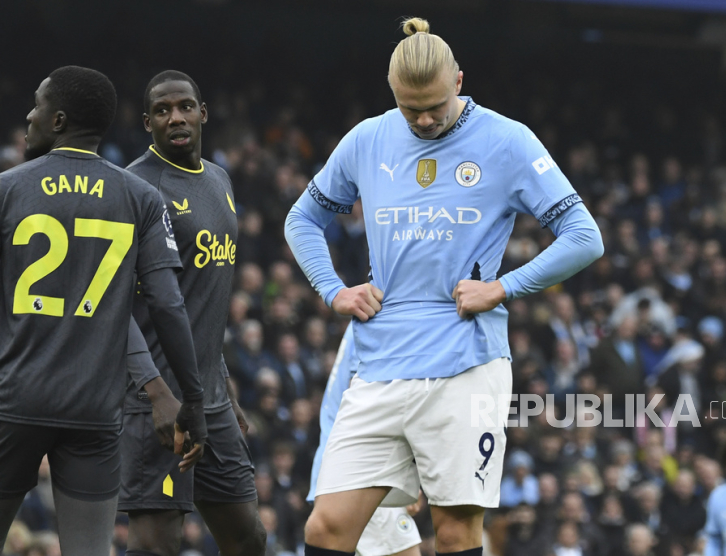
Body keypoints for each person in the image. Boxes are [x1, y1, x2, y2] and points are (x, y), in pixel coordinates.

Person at [285, 17, 603, 556]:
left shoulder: (507, 140)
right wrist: (333, 289)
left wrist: (503, 287)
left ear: (459, 81)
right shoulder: (368, 138)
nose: (426, 119)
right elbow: (302, 219)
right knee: (327, 527)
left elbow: (584, 236)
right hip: (380, 362)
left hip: (465, 365)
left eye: (435, 105)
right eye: (412, 109)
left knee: (454, 534)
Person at [0, 66, 206, 556]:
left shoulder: (8, 188)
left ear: (58, 121)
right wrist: (190, 398)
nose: (29, 114)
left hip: (13, 402)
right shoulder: (140, 196)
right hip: (92, 413)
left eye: (37, 104)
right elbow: (166, 304)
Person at [118, 70, 265, 556]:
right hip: (155, 399)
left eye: (184, 106)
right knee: (157, 545)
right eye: (162, 110)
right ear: (147, 122)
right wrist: (154, 393)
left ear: (203, 113)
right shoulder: (136, 188)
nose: (175, 117)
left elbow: (204, 297)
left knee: (248, 537)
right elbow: (116, 309)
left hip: (209, 397)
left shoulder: (219, 179)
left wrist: (221, 384)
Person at [307, 323, 421, 556]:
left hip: (343, 469)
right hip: (366, 470)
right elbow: (379, 398)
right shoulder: (386, 320)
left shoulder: (366, 320)